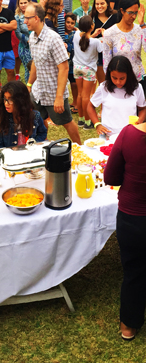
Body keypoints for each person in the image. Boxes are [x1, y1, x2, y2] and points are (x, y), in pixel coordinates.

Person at [103, 119, 146, 341]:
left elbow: (110, 177)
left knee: (134, 271)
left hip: (133, 218)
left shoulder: (129, 135)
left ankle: (128, 326)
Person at [24, 3, 81, 144]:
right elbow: (35, 63)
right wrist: (30, 84)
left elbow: (64, 68)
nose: (25, 21)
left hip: (54, 93)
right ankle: (43, 147)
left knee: (67, 122)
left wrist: (59, 97)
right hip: (38, 92)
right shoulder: (32, 37)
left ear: (36, 18)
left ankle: (80, 148)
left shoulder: (53, 39)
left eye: (27, 18)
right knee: (39, 122)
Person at [88, 56, 146, 136]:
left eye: (122, 78)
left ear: (128, 75)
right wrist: (97, 124)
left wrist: (139, 122)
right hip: (108, 135)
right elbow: (90, 106)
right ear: (109, 75)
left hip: (130, 135)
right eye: (114, 78)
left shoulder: (137, 88)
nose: (118, 82)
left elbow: (142, 109)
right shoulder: (103, 88)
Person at [103, 0, 146, 95]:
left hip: (138, 81)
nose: (134, 16)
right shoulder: (110, 33)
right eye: (130, 13)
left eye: (136, 13)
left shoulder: (140, 29)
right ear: (122, 11)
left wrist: (143, 25)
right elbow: (107, 62)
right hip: (119, 84)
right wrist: (111, 84)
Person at [0, 81, 48, 150]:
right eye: (5, 99)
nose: (6, 103)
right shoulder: (2, 117)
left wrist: (34, 145)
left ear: (21, 101)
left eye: (10, 100)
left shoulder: (35, 116)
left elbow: (42, 132)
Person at [73, 15, 103, 130]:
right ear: (92, 26)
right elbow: (102, 49)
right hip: (88, 70)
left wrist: (92, 34)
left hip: (77, 68)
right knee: (86, 96)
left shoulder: (76, 35)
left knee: (80, 94)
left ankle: (81, 119)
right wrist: (103, 35)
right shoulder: (95, 42)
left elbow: (84, 37)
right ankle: (87, 121)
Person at [91, 0, 116, 84]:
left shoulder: (115, 16)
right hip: (98, 55)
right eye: (97, 4)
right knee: (103, 83)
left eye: (102, 3)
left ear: (107, 4)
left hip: (114, 53)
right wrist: (93, 35)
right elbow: (86, 37)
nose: (99, 6)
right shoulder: (92, 18)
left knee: (114, 81)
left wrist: (107, 35)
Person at [15, 0, 32, 83]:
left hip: (36, 45)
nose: (23, 5)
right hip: (25, 47)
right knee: (28, 69)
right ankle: (29, 90)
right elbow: (17, 32)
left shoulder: (34, 14)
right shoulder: (17, 17)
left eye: (25, 2)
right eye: (21, 3)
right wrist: (28, 40)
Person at [64, 12, 78, 114]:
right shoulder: (60, 32)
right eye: (67, 22)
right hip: (63, 62)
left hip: (72, 62)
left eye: (72, 23)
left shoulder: (75, 34)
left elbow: (74, 47)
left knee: (74, 83)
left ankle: (76, 102)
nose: (69, 25)